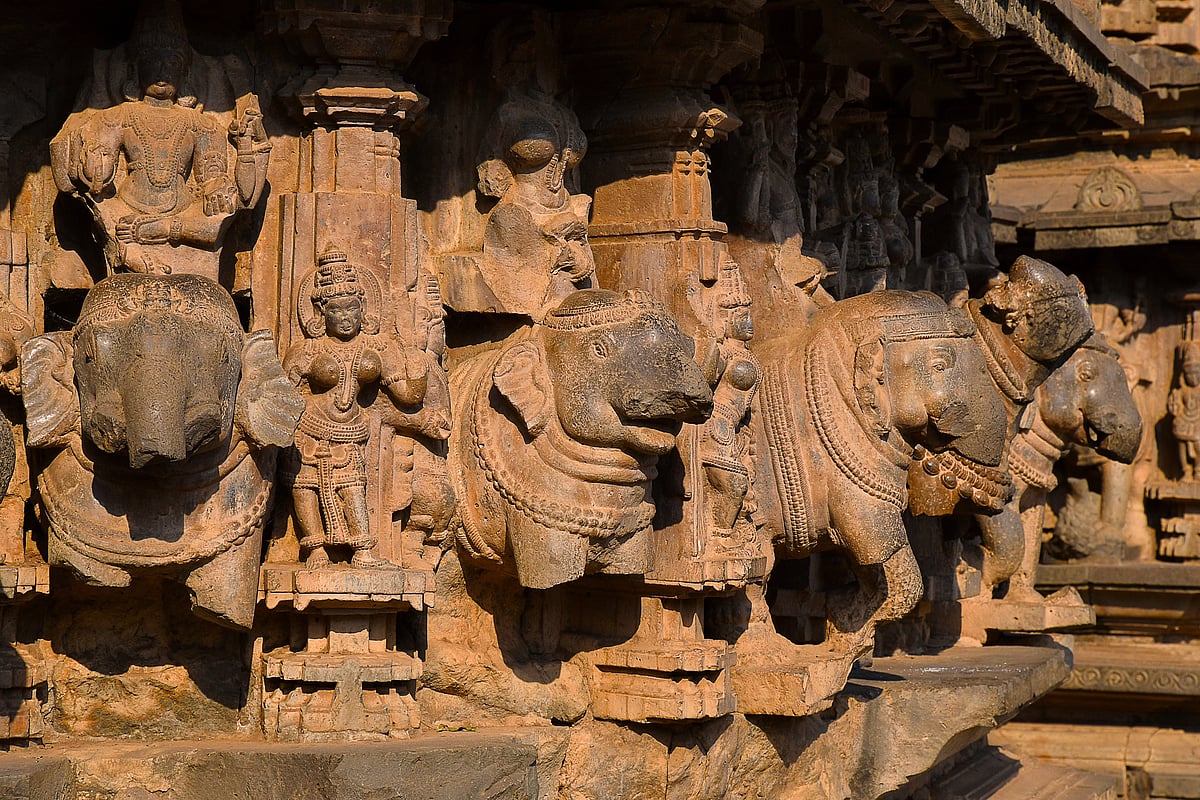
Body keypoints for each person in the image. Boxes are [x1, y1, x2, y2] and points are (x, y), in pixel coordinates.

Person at [283, 247, 429, 569]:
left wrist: (416, 355)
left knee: (353, 488)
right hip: (307, 429)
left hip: (351, 432)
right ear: (321, 312)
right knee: (304, 488)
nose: (346, 317)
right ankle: (315, 550)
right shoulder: (307, 350)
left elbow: (407, 395)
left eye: (352, 308)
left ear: (363, 306)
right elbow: (282, 398)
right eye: (336, 310)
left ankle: (363, 551)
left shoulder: (378, 347)